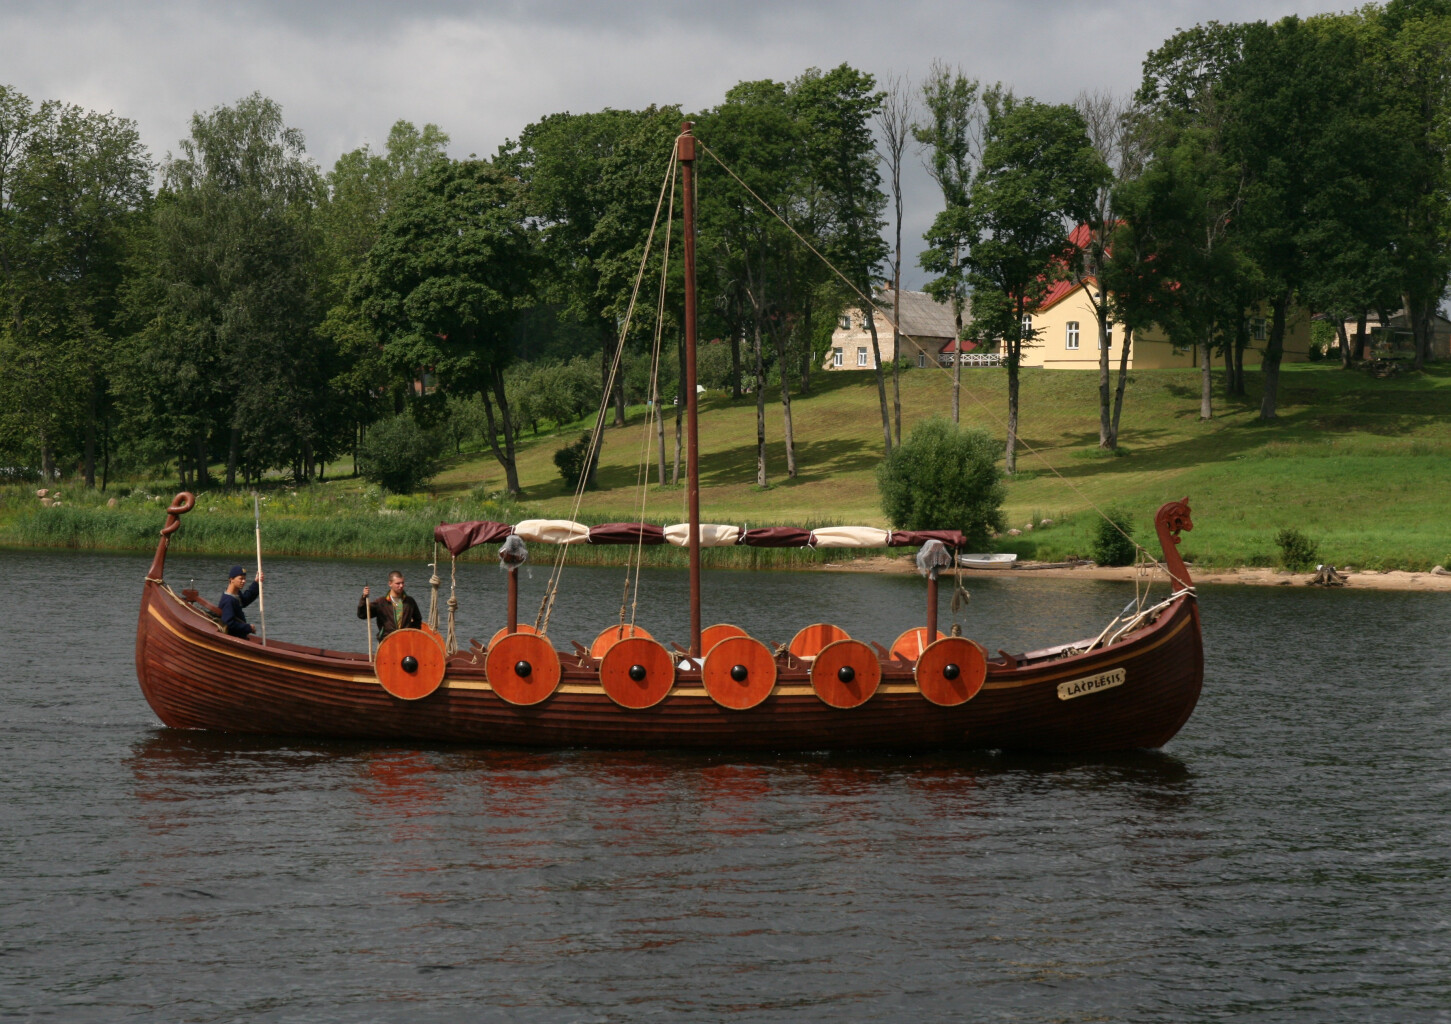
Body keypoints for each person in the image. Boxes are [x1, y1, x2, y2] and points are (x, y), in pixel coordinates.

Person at [358, 570, 421, 639]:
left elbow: (417, 620)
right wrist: (364, 598)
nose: (401, 586)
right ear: (390, 583)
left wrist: (411, 634)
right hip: (387, 641)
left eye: (402, 583)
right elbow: (362, 614)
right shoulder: (381, 602)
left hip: (405, 641)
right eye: (398, 583)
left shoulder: (410, 601)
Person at [219, 565, 264, 639]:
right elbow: (229, 623)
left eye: (244, 579)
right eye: (241, 579)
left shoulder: (236, 594)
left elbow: (245, 600)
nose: (244, 581)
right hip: (234, 638)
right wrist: (248, 628)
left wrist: (256, 583)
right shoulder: (228, 600)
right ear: (231, 579)